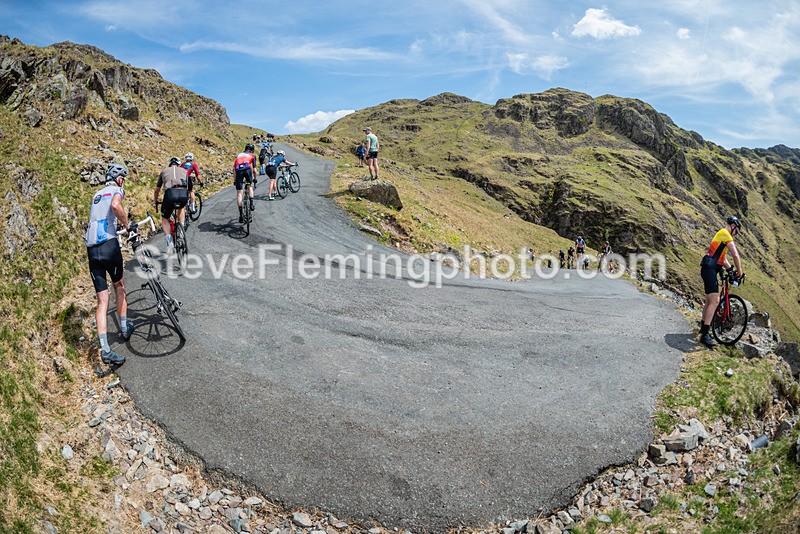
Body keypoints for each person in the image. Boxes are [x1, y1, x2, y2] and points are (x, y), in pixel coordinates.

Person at [85, 163, 133, 365]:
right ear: (119, 179)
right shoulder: (117, 190)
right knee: (119, 286)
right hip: (108, 245)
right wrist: (127, 225)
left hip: (92, 249)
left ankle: (105, 349)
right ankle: (124, 328)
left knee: (102, 300)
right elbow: (115, 206)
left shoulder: (96, 195)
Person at [699, 216, 744, 347]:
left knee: (709, 300)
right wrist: (740, 272)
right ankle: (705, 335)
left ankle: (703, 327)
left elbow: (722, 258)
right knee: (715, 301)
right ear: (733, 226)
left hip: (708, 269)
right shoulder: (726, 234)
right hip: (710, 269)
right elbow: (735, 255)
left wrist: (730, 269)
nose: (736, 234)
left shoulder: (721, 235)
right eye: (737, 231)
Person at [154, 157, 189, 252]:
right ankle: (181, 231)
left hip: (170, 194)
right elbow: (188, 186)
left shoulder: (164, 171)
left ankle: (169, 242)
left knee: (165, 218)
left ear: (169, 164)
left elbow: (157, 189)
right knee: (181, 208)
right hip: (183, 193)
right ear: (179, 164)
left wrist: (156, 201)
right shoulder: (184, 171)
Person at [233, 144, 257, 221]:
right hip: (247, 169)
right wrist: (255, 179)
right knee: (249, 186)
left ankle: (241, 215)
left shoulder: (239, 155)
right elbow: (254, 170)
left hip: (238, 171)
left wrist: (235, 180)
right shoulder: (252, 155)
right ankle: (251, 204)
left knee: (239, 193)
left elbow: (234, 169)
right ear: (252, 150)